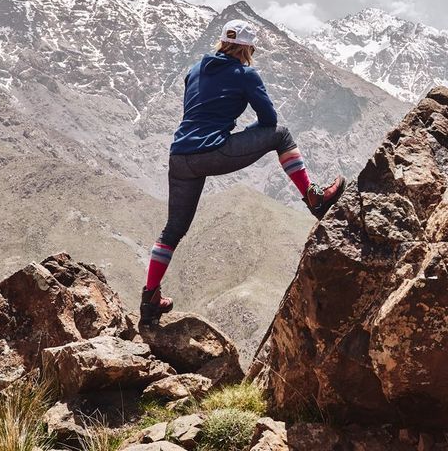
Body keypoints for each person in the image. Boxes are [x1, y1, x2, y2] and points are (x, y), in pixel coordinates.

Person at [140, 19, 345, 324]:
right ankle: (313, 198)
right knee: (281, 134)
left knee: (172, 231)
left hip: (180, 156)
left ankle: (150, 299)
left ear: (222, 42)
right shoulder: (245, 74)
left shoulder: (194, 70)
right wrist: (246, 130)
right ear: (248, 47)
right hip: (213, 152)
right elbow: (269, 119)